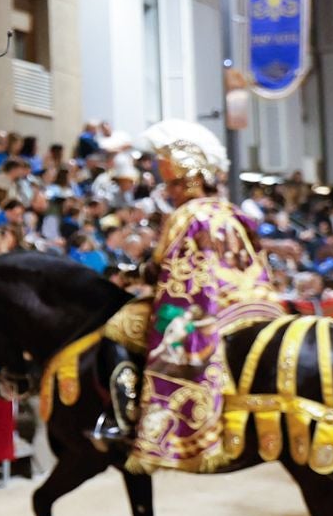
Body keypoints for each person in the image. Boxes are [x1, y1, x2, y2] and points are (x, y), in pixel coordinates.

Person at [100, 121, 287, 472]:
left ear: (187, 181)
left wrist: (133, 274)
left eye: (171, 184)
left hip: (214, 308)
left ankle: (128, 420)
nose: (168, 192)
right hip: (259, 302)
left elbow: (167, 272)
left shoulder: (185, 215)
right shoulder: (232, 211)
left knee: (119, 326)